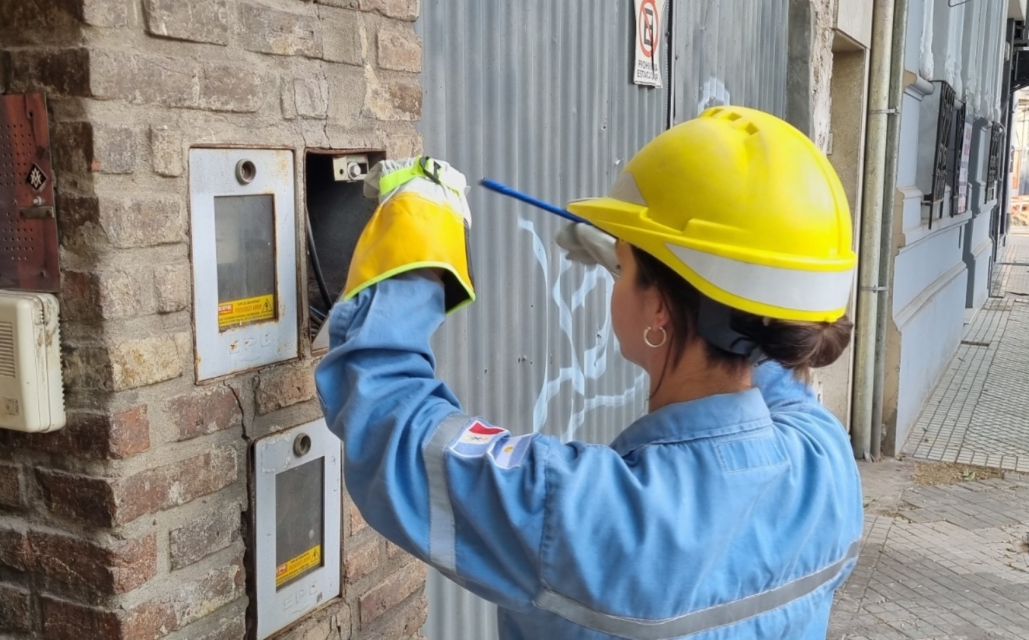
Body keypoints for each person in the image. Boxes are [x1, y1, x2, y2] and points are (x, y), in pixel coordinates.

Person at [315, 106, 864, 639]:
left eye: (623, 271)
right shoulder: (825, 458)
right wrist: (645, 262)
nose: (614, 279)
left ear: (659, 309)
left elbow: (389, 414)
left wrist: (419, 229)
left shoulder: (581, 512)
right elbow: (761, 348)